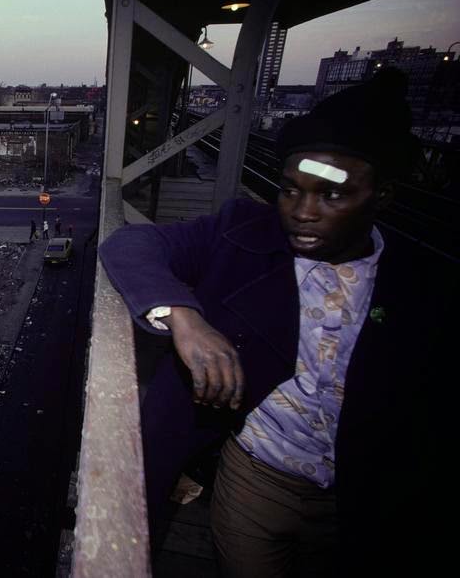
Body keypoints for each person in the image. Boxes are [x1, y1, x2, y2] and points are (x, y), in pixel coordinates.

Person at [98, 69, 452, 577]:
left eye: (331, 196)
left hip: (367, 494)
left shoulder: (427, 285)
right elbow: (130, 244)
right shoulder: (243, 231)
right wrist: (185, 316)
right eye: (290, 190)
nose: (302, 212)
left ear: (384, 197)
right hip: (257, 479)